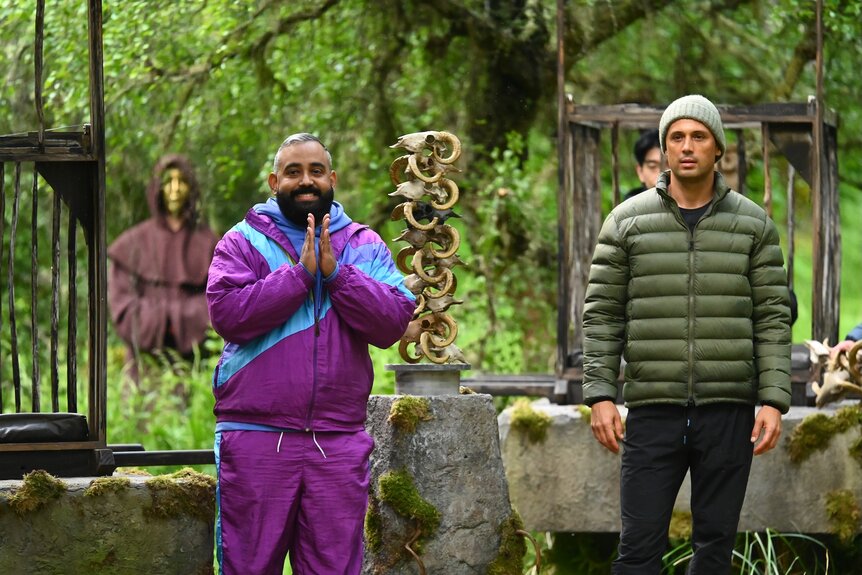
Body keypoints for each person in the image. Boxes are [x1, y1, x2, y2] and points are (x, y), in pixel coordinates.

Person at [582, 95, 792, 574]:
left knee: (715, 550)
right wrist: (600, 395)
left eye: (699, 136)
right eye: (676, 137)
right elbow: (602, 314)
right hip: (653, 411)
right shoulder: (626, 221)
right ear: (664, 147)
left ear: (718, 148)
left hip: (729, 411)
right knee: (638, 551)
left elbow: (773, 317)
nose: (687, 146)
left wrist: (773, 400)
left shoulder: (753, 223)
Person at [206, 133, 415, 574]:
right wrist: (300, 276)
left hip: (336, 441)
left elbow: (392, 321)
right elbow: (228, 315)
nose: (306, 181)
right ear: (273, 180)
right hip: (256, 435)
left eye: (316, 171)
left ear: (332, 178)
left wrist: (336, 275)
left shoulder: (364, 245)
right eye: (294, 172)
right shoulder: (241, 242)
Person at [108, 154, 219, 380]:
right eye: (168, 182)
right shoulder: (132, 244)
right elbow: (122, 305)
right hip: (143, 372)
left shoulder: (210, 244)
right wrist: (167, 322)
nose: (175, 189)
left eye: (182, 182)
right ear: (157, 188)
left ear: (192, 188)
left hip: (196, 368)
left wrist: (176, 320)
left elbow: (220, 301)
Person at [623, 128, 662, 201]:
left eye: (669, 165)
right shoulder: (628, 208)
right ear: (640, 171)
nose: (661, 175)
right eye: (652, 166)